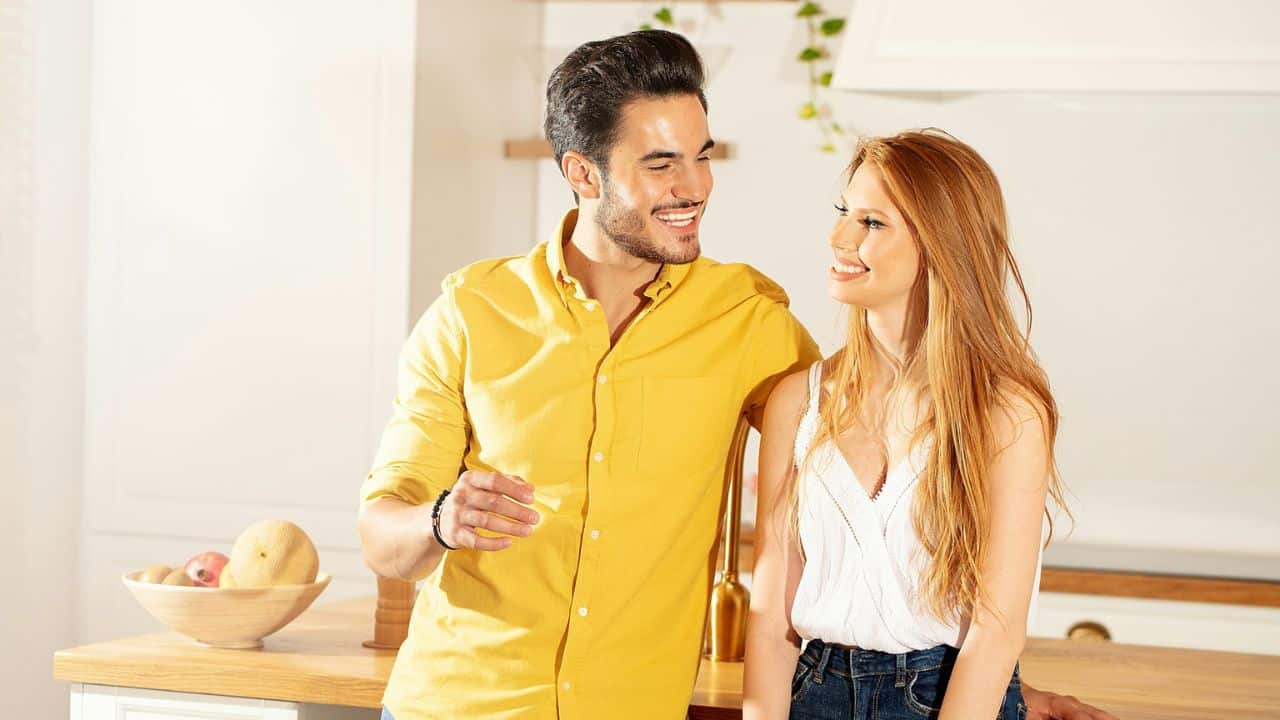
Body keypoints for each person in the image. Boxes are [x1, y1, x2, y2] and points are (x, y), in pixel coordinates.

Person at [357, 30, 1114, 720]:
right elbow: (381, 533)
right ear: (581, 173)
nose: (696, 187)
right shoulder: (470, 311)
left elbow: (898, 447)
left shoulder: (749, 322)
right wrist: (439, 521)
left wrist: (979, 686)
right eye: (661, 165)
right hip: (452, 706)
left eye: (703, 154)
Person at [742, 129, 1114, 720]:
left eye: (872, 223)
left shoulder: (1006, 412)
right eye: (844, 212)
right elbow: (769, 625)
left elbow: (995, 634)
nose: (839, 237)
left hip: (945, 699)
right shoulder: (798, 401)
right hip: (813, 696)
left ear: (942, 242)